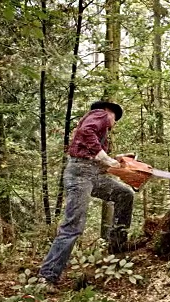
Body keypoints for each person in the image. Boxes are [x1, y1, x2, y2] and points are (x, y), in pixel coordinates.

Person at [38, 101, 135, 289]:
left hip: (92, 174)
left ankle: (117, 246)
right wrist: (105, 157)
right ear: (110, 112)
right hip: (81, 175)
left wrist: (116, 160)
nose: (113, 122)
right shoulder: (101, 115)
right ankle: (47, 276)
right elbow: (86, 132)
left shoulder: (100, 133)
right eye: (115, 118)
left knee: (125, 194)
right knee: (73, 225)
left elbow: (95, 156)